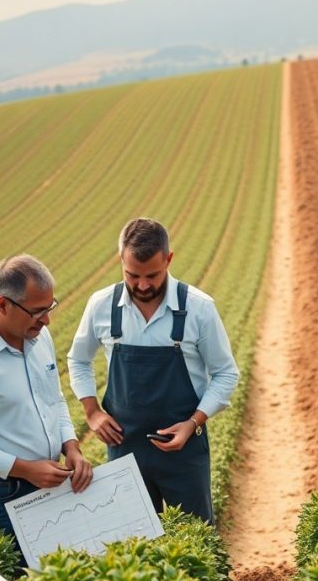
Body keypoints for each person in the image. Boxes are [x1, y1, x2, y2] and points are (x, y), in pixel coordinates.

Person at [67, 218, 239, 525]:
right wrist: (91, 411)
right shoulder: (102, 306)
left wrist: (193, 423)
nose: (143, 285)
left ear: (169, 259)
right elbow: (78, 359)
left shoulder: (198, 308)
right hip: (124, 449)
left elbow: (226, 374)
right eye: (132, 275)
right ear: (120, 260)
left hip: (183, 452)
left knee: (194, 540)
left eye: (152, 275)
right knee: (133, 541)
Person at [0, 254, 92, 558]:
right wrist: (25, 470)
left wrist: (71, 447)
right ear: (2, 304)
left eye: (49, 308)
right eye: (37, 312)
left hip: (49, 482)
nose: (47, 320)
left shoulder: (39, 337)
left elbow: (54, 399)